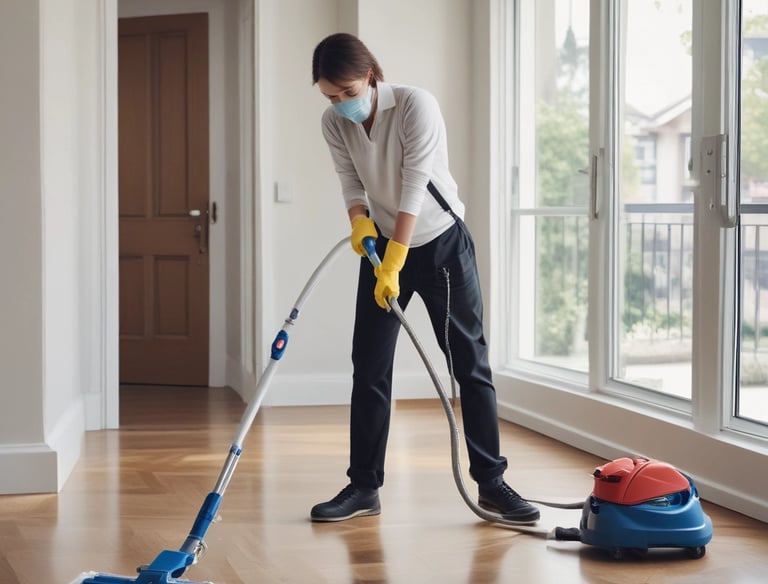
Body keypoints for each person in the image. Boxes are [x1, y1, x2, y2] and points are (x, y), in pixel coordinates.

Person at [309, 32, 540, 525]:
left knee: (468, 363)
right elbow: (351, 179)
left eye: (348, 93)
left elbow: (415, 183)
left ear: (370, 75)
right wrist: (360, 224)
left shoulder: (416, 105)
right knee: (368, 366)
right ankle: (363, 486)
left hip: (439, 244)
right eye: (331, 96)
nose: (341, 104)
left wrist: (396, 257)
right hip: (381, 248)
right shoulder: (334, 123)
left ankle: (493, 483)